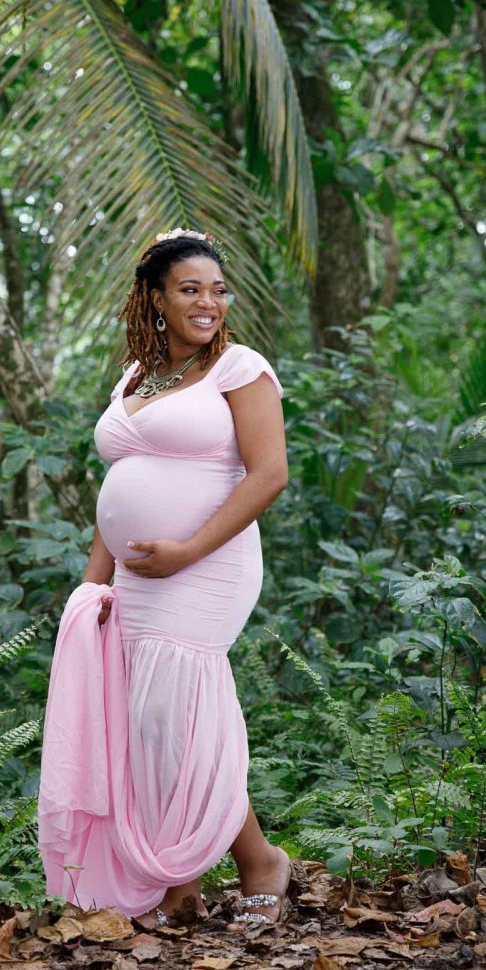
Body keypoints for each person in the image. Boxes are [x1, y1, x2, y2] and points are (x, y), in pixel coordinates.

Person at [38, 228, 290, 931]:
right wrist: (95, 586)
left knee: (176, 715)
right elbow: (120, 486)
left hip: (208, 563)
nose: (207, 302)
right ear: (155, 298)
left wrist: (185, 549)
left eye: (216, 289)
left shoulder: (239, 368)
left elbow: (269, 475)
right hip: (139, 576)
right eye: (189, 289)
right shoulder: (135, 378)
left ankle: (259, 861)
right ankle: (177, 882)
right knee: (146, 723)